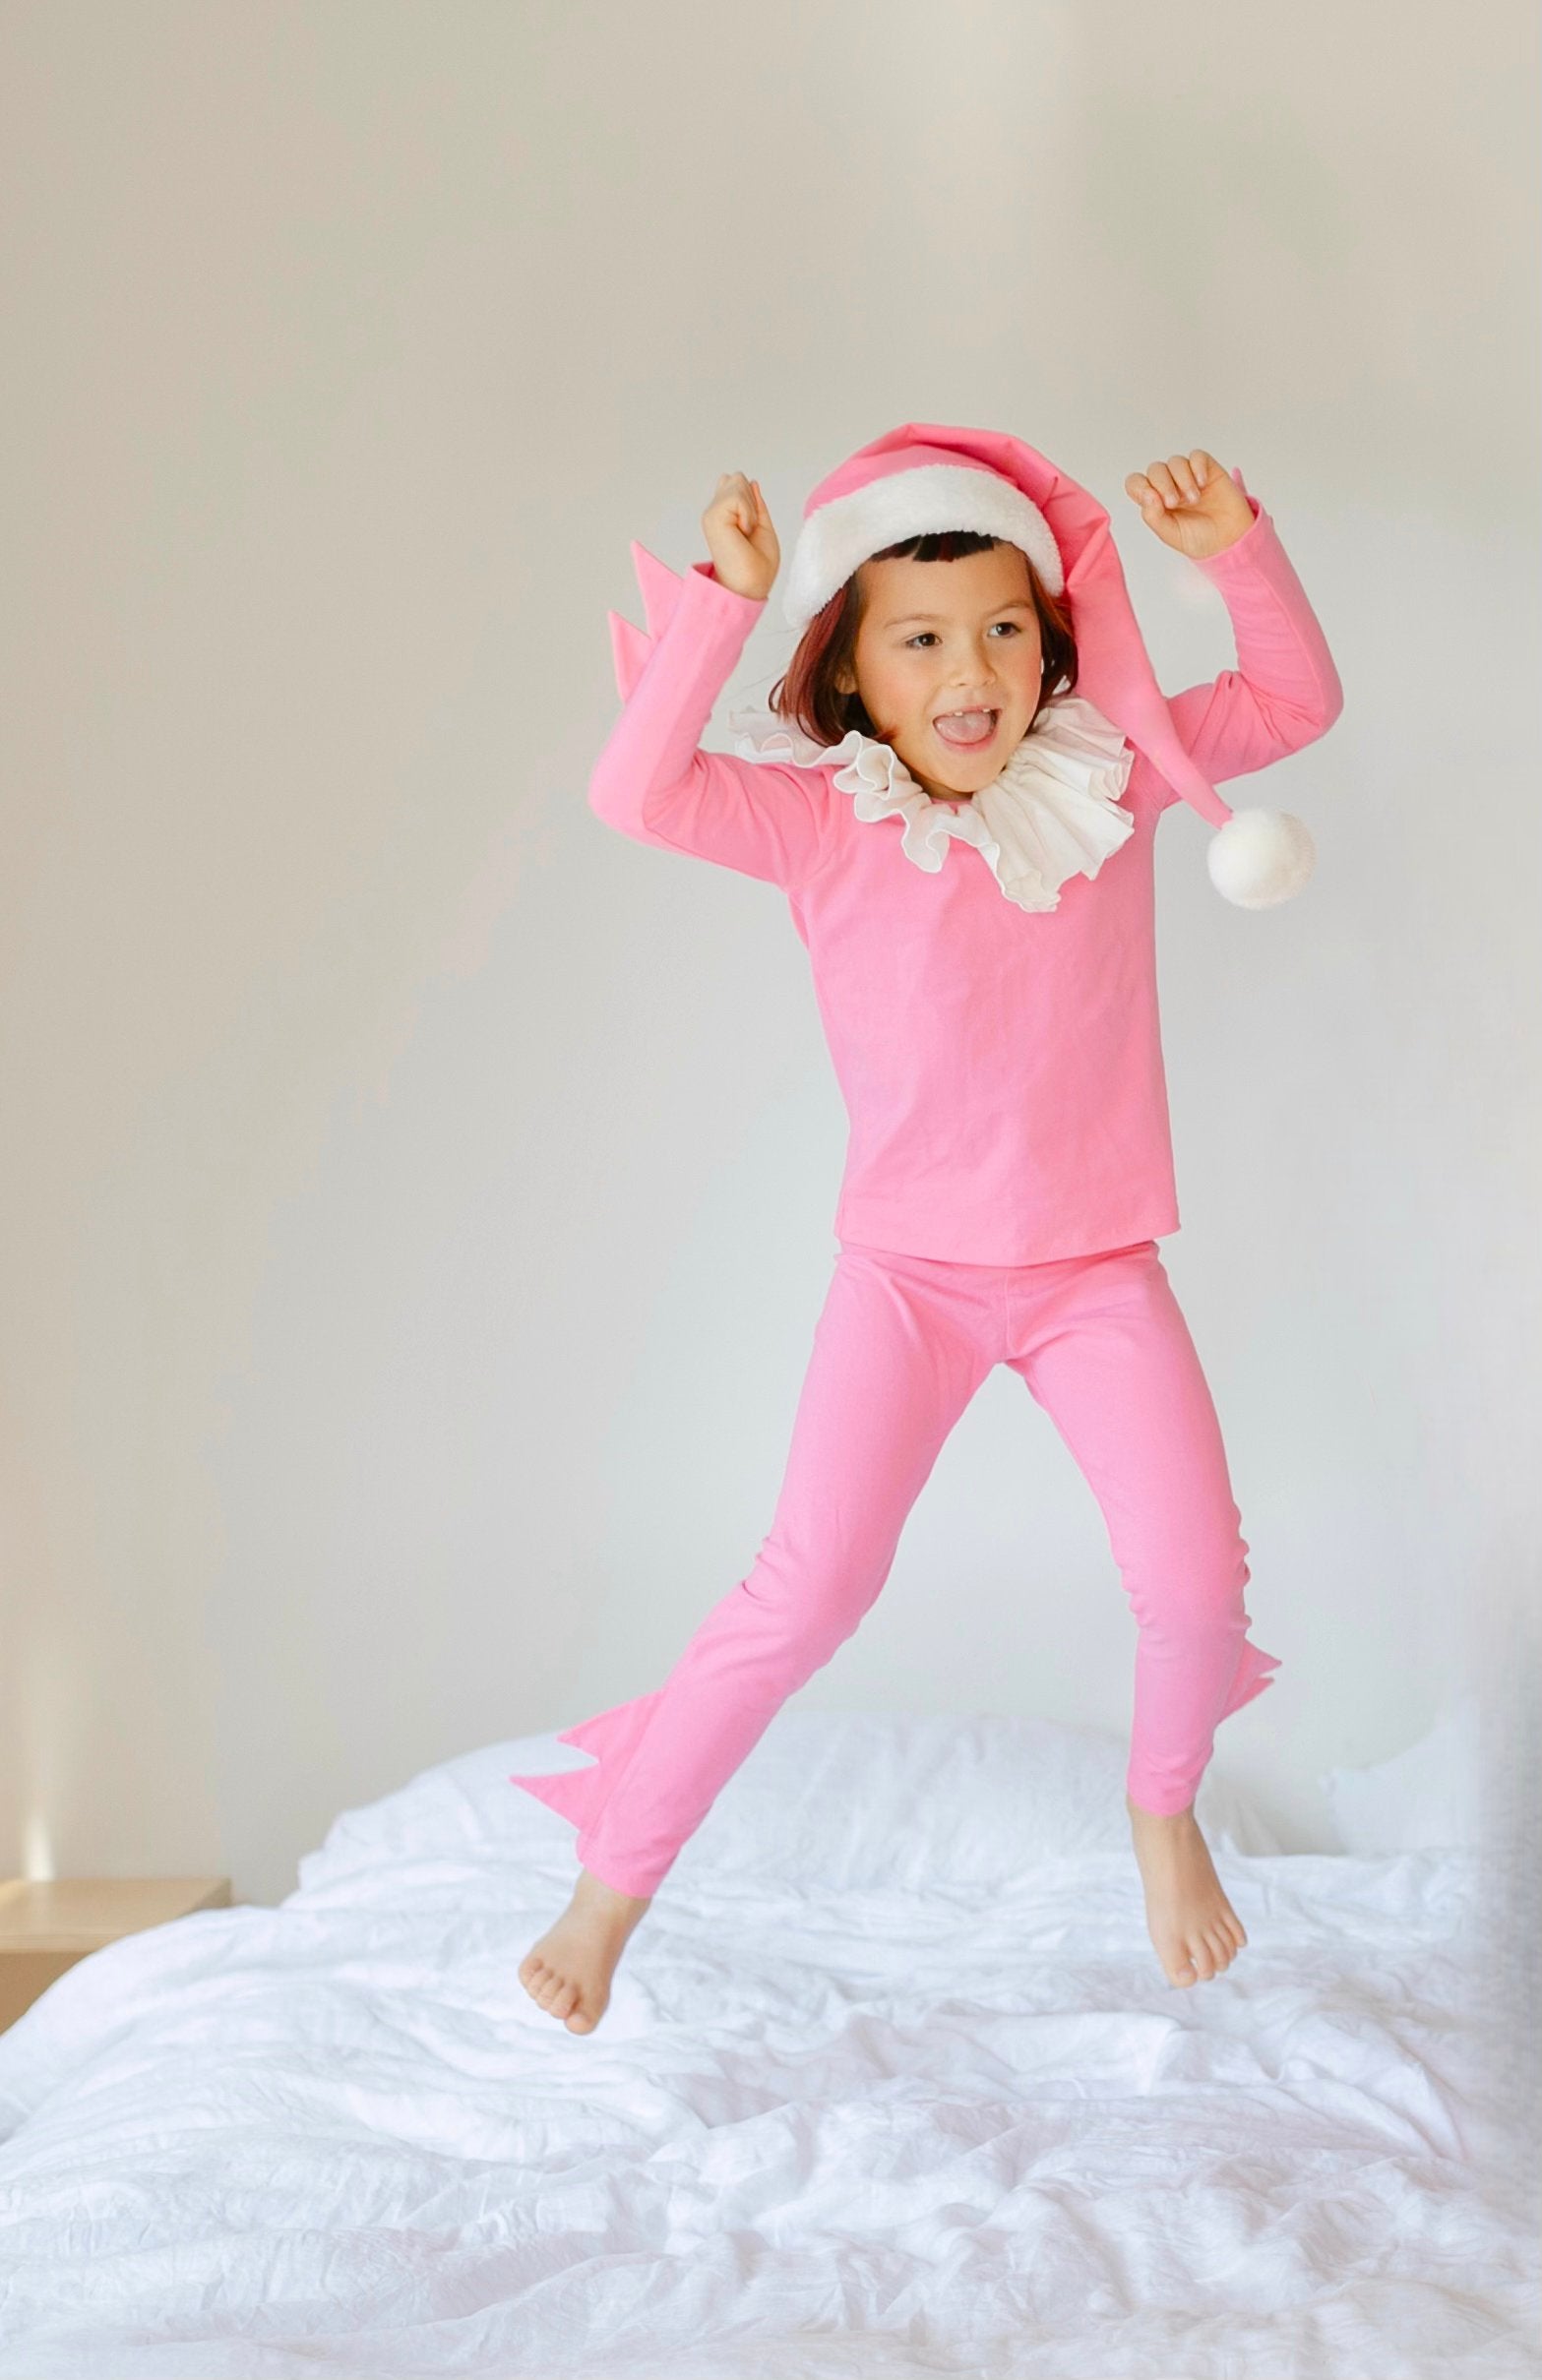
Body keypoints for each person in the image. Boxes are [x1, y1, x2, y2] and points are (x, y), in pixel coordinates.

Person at [512, 421, 1343, 2033]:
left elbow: (1299, 704)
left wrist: (1236, 551)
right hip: (909, 1280)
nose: (975, 669)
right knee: (806, 1590)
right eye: (922, 639)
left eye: (1006, 627)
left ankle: (1162, 1815)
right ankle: (608, 1888)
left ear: (1052, 638)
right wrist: (721, 606)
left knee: (1193, 1588)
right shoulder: (826, 824)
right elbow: (636, 788)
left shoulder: (1119, 774)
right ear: (852, 678)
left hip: (1099, 1273)